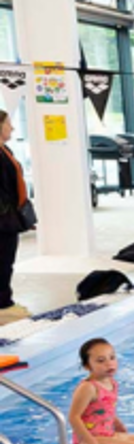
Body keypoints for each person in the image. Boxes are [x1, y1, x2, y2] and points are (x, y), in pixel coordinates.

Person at [67, 338, 134, 444]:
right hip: (91, 437)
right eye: (100, 361)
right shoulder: (88, 387)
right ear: (87, 366)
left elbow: (105, 408)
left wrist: (118, 424)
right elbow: (73, 417)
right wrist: (89, 441)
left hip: (107, 433)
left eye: (112, 357)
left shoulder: (111, 382)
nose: (109, 363)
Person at [0, 109, 32, 323]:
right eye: (8, 123)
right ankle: (3, 305)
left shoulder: (5, 150)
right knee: (2, 261)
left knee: (6, 261)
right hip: (3, 221)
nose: (12, 127)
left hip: (9, 217)